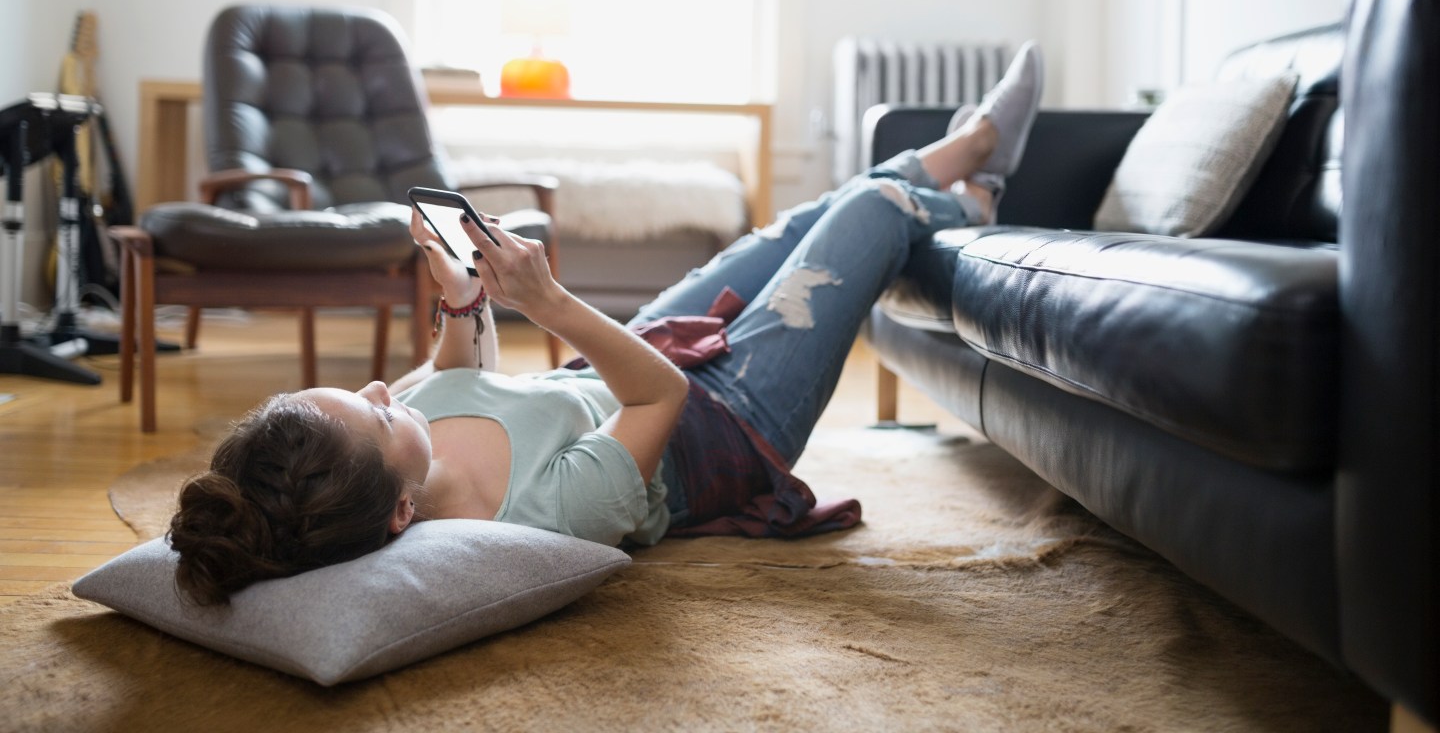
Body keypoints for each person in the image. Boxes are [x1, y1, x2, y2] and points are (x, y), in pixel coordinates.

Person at [168, 43, 1045, 606]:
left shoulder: (394, 444)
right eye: (377, 411)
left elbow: (453, 375)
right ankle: (971, 181)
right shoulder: (540, 518)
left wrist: (463, 296)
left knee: (798, 224)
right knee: (874, 210)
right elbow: (659, 397)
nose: (379, 389)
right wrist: (545, 301)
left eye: (361, 394)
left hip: (622, 365)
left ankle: (968, 166)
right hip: (726, 423)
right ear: (401, 514)